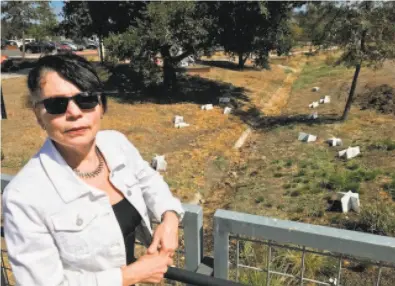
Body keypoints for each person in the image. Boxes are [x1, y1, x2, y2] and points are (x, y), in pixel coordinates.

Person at [2, 53, 185, 286]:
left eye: (86, 99)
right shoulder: (24, 197)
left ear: (101, 106)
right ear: (39, 115)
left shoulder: (116, 144)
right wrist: (130, 276)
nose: (75, 112)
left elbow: (148, 179)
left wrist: (168, 217)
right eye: (57, 104)